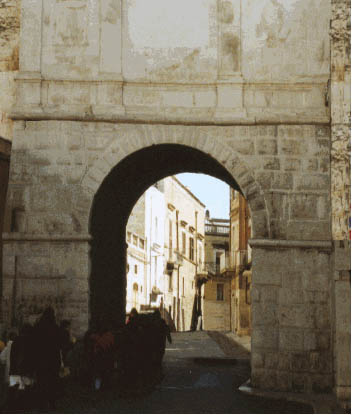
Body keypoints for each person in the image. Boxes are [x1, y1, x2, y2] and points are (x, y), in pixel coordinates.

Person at [33, 306, 63, 411]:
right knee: (52, 381)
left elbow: (34, 344)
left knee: (41, 381)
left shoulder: (38, 327)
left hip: (40, 359)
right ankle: (52, 403)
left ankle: (41, 404)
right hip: (52, 359)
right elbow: (60, 343)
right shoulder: (55, 328)